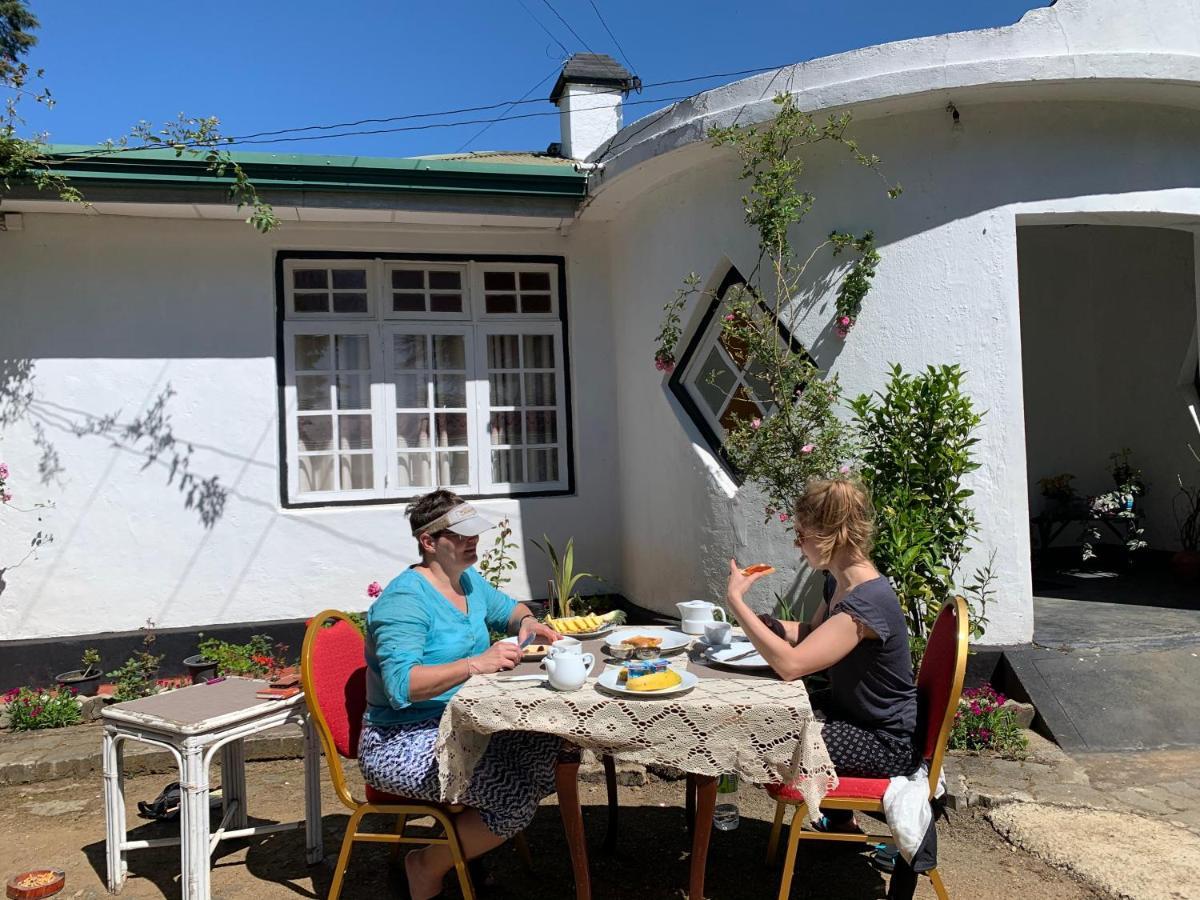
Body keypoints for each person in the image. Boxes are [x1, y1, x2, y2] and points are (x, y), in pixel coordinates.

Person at [358, 489, 562, 900]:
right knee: (514, 797)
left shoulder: (465, 582)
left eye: (475, 533)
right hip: (400, 739)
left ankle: (465, 845)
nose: (474, 541)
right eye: (461, 534)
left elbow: (511, 609)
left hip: (462, 721)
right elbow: (403, 685)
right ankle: (426, 865)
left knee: (551, 748)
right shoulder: (404, 601)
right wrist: (475, 664)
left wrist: (529, 623)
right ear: (428, 541)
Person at [724, 477, 919, 831]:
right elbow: (814, 635)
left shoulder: (867, 602)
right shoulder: (838, 581)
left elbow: (790, 665)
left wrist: (738, 604)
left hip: (882, 741)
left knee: (772, 735)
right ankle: (836, 820)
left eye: (802, 535)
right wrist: (771, 626)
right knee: (765, 713)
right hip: (852, 715)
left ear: (832, 535)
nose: (799, 546)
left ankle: (832, 816)